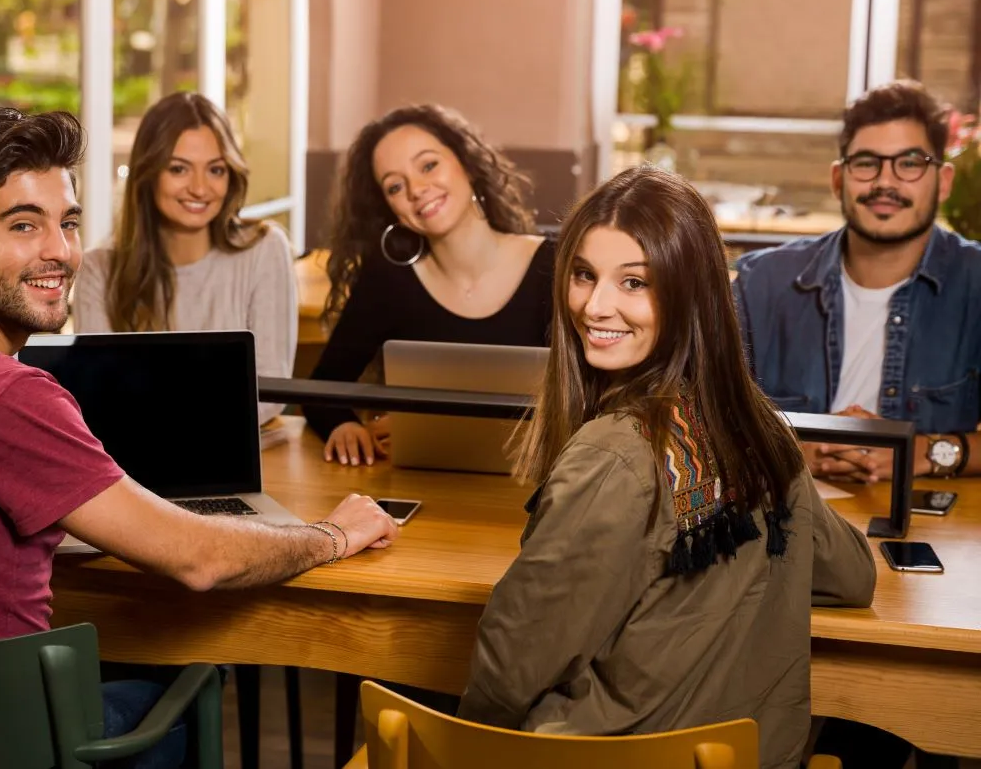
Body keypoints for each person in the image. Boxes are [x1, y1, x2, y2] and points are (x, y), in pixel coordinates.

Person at [0, 108, 397, 769]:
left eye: (68, 222)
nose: (60, 251)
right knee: (190, 685)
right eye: (23, 225)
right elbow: (199, 560)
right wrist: (333, 535)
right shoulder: (7, 395)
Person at [456, 166, 875, 769]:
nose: (596, 306)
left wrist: (467, 750)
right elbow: (852, 575)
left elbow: (513, 663)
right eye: (583, 275)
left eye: (634, 282)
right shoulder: (756, 427)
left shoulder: (615, 457)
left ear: (690, 293)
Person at [735, 79, 981, 487]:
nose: (886, 182)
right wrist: (790, 450)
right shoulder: (758, 285)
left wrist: (922, 452)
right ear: (838, 179)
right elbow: (694, 414)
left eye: (910, 163)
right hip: (784, 518)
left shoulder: (975, 282)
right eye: (867, 162)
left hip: (922, 527)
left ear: (944, 181)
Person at [304, 104, 554, 466]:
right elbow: (320, 390)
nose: (417, 189)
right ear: (390, 208)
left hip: (537, 490)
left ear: (466, 163)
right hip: (425, 489)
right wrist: (343, 425)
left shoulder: (556, 266)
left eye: (428, 165)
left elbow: (597, 396)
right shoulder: (388, 280)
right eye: (394, 186)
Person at [73, 92, 297, 425]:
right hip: (133, 459)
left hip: (236, 451)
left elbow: (270, 391)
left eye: (216, 170)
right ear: (147, 175)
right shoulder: (98, 269)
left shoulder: (265, 249)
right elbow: (99, 394)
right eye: (179, 169)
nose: (200, 188)